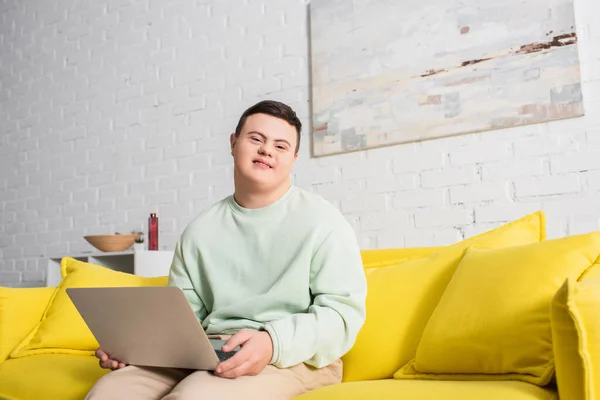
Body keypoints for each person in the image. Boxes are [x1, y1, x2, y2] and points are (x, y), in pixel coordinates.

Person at [85, 100, 368, 400]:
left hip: (293, 357)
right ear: (233, 144)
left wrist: (272, 342)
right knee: (108, 393)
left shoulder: (323, 221)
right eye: (256, 139)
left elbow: (341, 316)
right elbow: (184, 320)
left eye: (281, 146)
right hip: (209, 350)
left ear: (294, 159)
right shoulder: (200, 231)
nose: (267, 150)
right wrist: (138, 346)